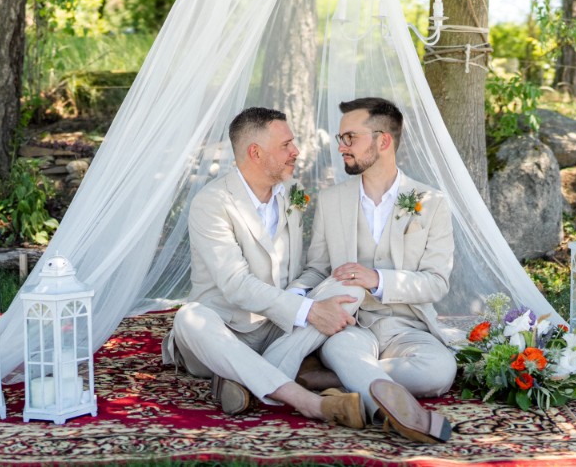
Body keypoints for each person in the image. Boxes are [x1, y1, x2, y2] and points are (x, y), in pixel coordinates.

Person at [162, 107, 364, 429]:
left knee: (351, 286)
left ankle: (243, 381)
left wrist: (302, 297)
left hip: (277, 329)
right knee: (189, 318)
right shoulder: (212, 203)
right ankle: (308, 402)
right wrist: (310, 312)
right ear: (255, 152)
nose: (296, 152)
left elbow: (310, 269)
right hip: (223, 331)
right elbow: (236, 285)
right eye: (286, 145)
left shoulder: (291, 194)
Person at [268, 97, 455, 443]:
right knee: (342, 351)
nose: (341, 147)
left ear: (383, 141)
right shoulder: (331, 199)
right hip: (348, 325)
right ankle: (398, 412)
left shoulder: (432, 203)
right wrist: (294, 298)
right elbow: (317, 268)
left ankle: (331, 379)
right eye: (341, 139)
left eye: (349, 138)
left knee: (441, 371)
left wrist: (378, 279)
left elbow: (437, 282)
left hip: (406, 325)